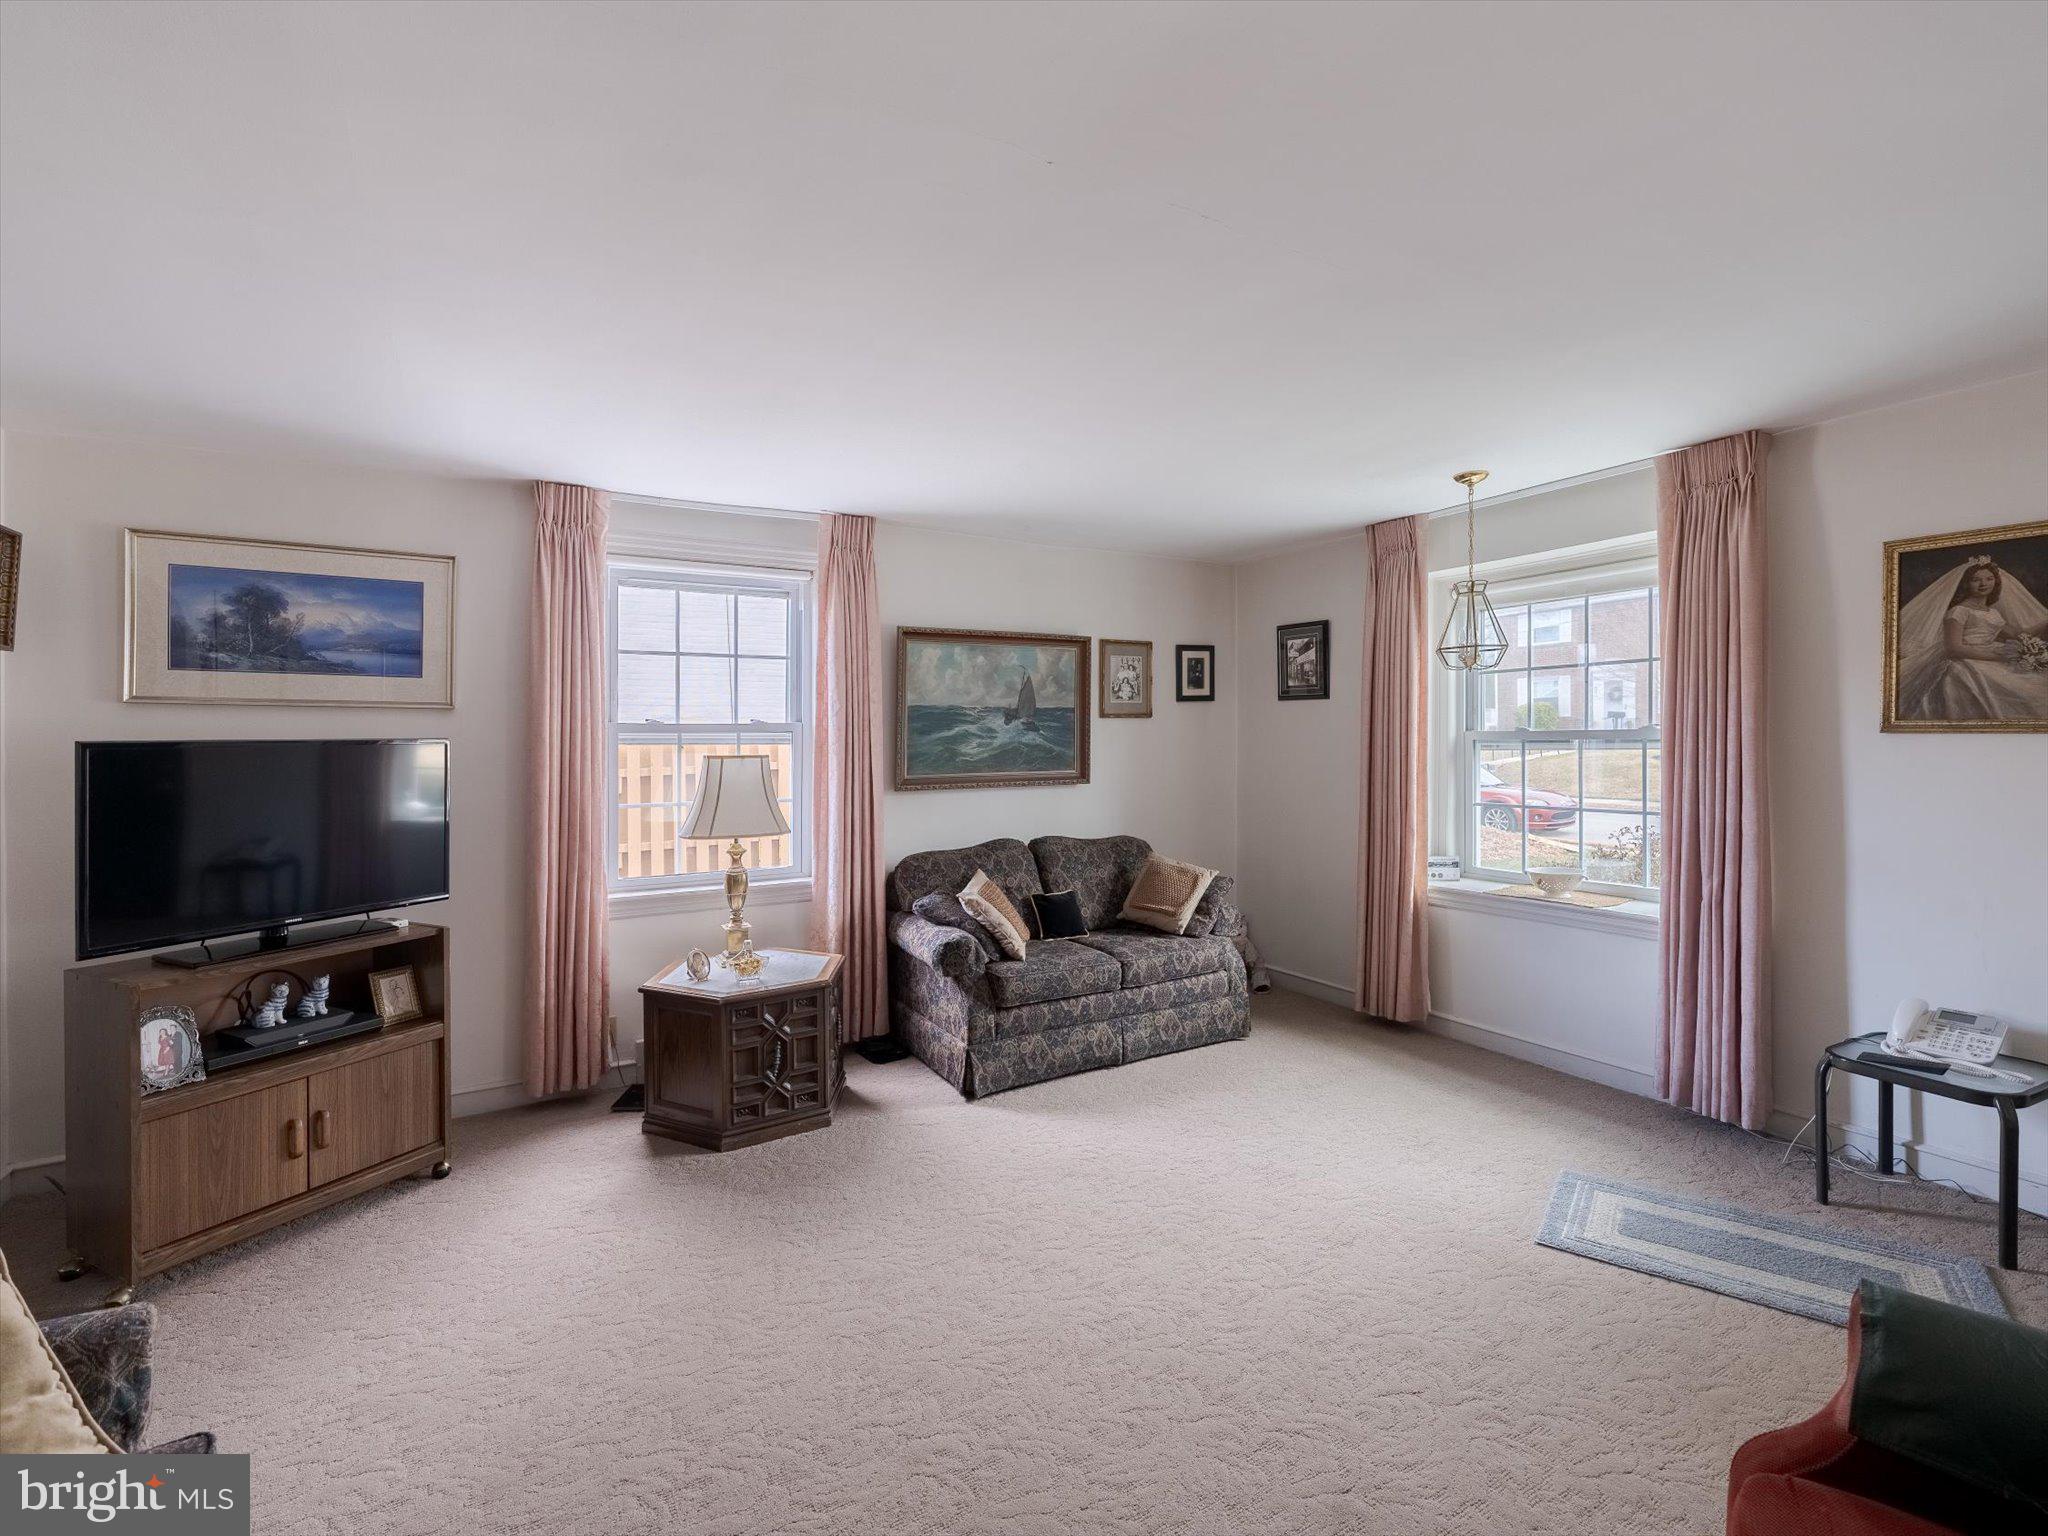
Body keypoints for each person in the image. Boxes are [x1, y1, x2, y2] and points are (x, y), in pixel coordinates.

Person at [1896, 554, 2048, 722]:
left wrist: (2045, 624)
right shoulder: (1959, 611)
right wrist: (1999, 656)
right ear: (1966, 584)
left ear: (1996, 582)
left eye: (1989, 579)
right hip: (1964, 661)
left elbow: (2017, 635)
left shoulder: (1993, 612)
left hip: (1991, 652)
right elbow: (1954, 648)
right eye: (1976, 580)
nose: (1984, 584)